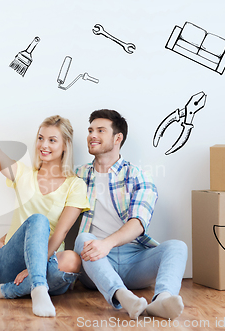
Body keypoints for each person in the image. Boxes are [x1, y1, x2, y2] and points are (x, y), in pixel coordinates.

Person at [0, 115, 89, 317]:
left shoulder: (75, 185)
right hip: (10, 263)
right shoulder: (24, 174)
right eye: (41, 138)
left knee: (73, 260)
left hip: (48, 262)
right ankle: (39, 287)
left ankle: (3, 291)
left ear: (65, 145)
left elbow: (62, 232)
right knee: (38, 219)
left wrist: (38, 266)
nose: (44, 145)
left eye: (52, 140)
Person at [73, 109, 188, 320]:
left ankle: (162, 300)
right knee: (83, 239)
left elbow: (138, 223)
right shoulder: (78, 175)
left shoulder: (138, 176)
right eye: (90, 130)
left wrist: (107, 243)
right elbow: (50, 210)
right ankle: (123, 296)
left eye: (100, 130)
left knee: (177, 247)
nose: (92, 135)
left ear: (118, 138)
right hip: (95, 261)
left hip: (134, 259)